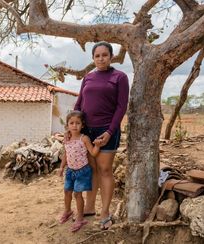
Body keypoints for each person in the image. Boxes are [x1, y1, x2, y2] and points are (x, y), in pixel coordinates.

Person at [74, 41, 129, 230]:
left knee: (105, 170)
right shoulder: (88, 78)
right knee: (91, 169)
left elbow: (122, 107)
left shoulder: (119, 77)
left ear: (111, 57)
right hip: (87, 130)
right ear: (93, 58)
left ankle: (105, 212)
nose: (101, 58)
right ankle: (89, 208)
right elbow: (79, 103)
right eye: (97, 56)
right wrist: (74, 129)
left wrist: (109, 131)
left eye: (104, 55)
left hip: (107, 129)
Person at [57, 111, 102, 232]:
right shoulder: (67, 138)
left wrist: (97, 145)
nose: (74, 125)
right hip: (70, 171)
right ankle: (67, 211)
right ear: (67, 125)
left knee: (77, 194)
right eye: (71, 123)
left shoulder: (84, 138)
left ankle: (80, 218)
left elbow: (92, 153)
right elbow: (66, 154)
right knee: (67, 191)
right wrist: (62, 167)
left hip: (82, 171)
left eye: (77, 123)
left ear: (82, 125)